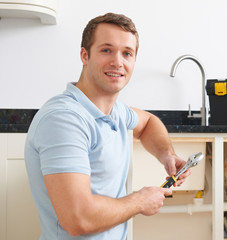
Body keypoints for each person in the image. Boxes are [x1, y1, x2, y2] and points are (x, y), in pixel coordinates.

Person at [24, 12, 190, 240]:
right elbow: (78, 219)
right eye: (106, 50)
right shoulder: (64, 119)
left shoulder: (117, 113)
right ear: (84, 55)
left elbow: (149, 122)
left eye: (127, 53)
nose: (117, 62)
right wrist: (141, 200)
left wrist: (167, 155)